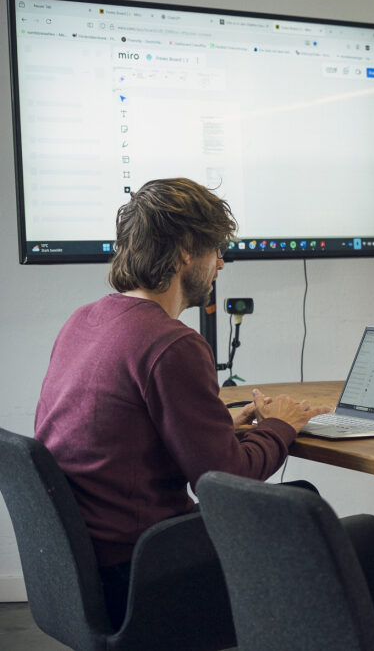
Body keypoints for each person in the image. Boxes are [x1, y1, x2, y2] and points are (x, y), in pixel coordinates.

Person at [34, 178, 330, 627]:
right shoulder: (171, 344)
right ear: (187, 251)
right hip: (144, 571)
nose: (222, 264)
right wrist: (282, 424)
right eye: (217, 250)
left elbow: (120, 434)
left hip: (82, 568)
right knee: (335, 527)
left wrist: (218, 423)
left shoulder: (85, 320)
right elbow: (225, 479)